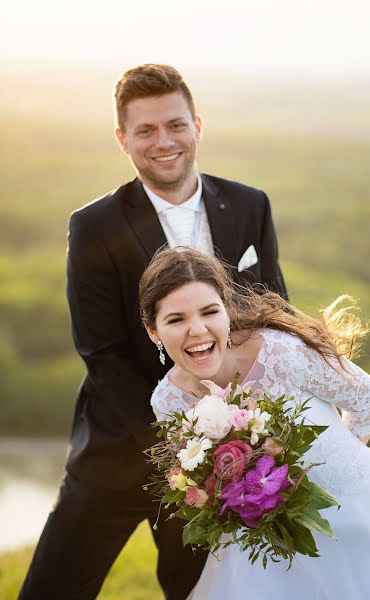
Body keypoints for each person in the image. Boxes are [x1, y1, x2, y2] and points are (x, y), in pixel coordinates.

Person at [18, 64, 287, 600]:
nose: (163, 142)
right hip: (116, 453)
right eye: (145, 130)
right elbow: (103, 354)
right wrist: (187, 444)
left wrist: (234, 448)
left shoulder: (250, 204)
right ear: (123, 140)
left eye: (175, 125)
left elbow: (274, 319)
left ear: (198, 126)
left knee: (198, 594)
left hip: (220, 468)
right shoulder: (94, 225)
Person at [140, 247, 370, 600]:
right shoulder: (168, 402)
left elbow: (368, 398)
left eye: (209, 312)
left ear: (227, 312)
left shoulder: (282, 353)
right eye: (176, 320)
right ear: (153, 331)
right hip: (266, 544)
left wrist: (343, 460)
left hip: (356, 516)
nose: (197, 330)